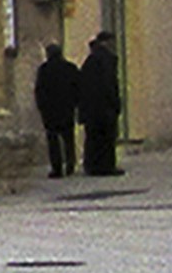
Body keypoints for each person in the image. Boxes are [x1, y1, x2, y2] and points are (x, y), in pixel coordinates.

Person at [76, 31, 123, 176]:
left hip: (91, 108)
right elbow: (110, 84)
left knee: (93, 137)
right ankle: (106, 166)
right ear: (107, 42)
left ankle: (92, 165)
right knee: (107, 138)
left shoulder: (90, 60)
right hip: (105, 107)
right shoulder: (106, 59)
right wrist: (115, 103)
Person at [32, 43, 80, 177]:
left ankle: (57, 168)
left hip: (50, 110)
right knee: (68, 138)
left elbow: (39, 90)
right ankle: (70, 164)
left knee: (53, 140)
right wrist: (75, 104)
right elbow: (77, 88)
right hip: (67, 108)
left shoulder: (44, 70)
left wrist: (41, 106)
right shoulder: (70, 68)